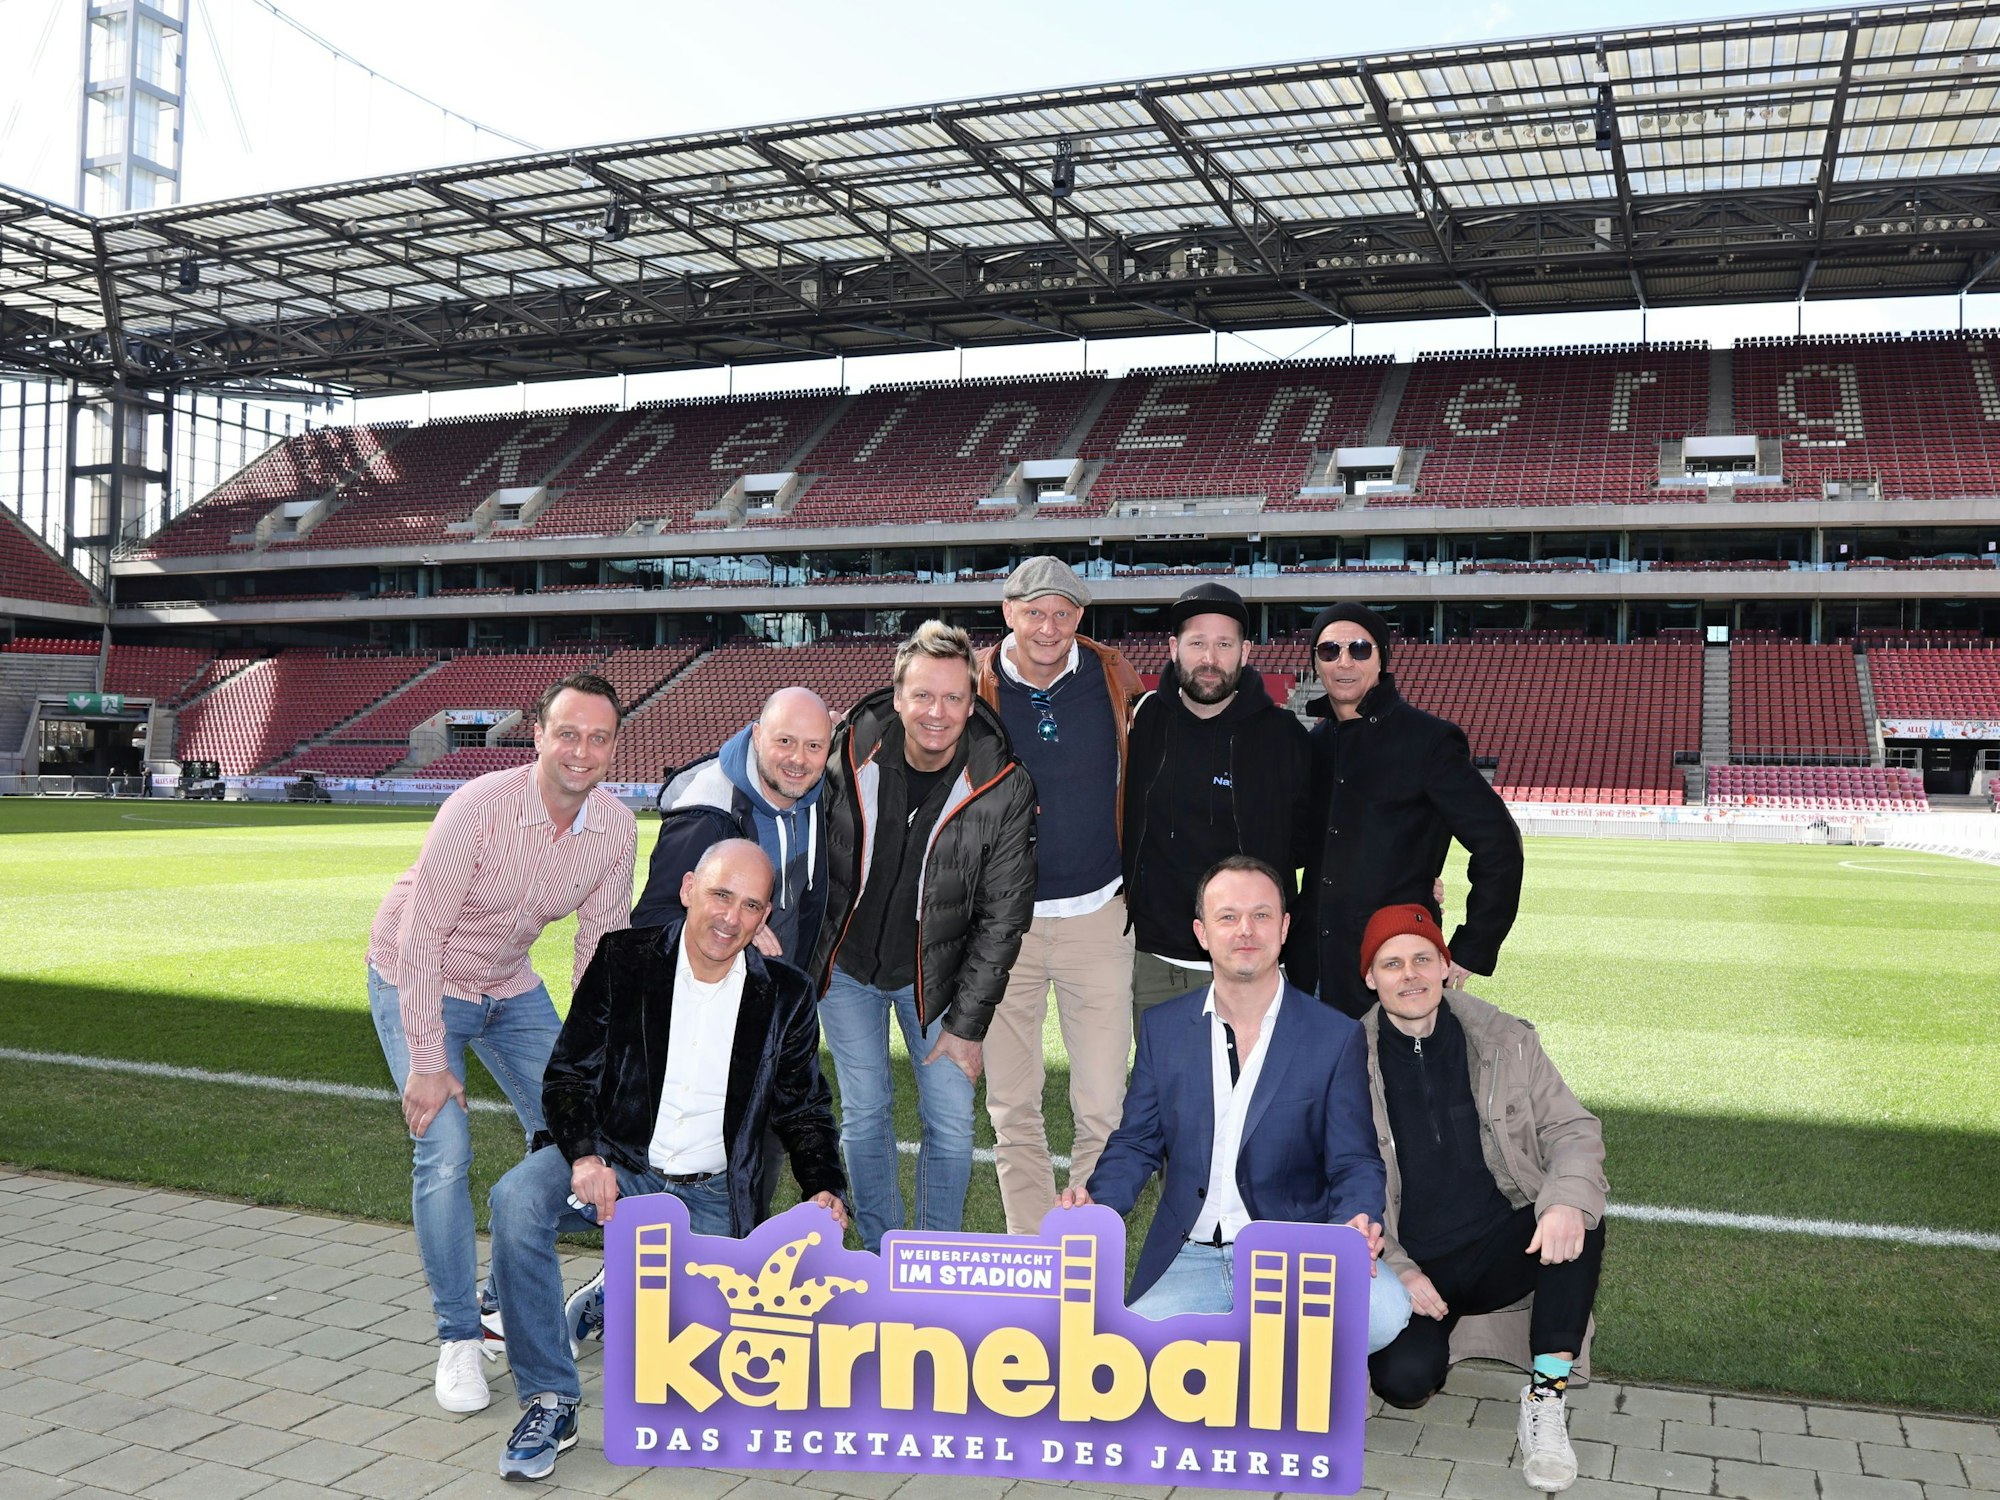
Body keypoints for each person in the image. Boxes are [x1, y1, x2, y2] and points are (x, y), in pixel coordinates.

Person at [485, 839, 847, 1482]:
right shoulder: (624, 959)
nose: (731, 918)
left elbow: (804, 1106)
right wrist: (584, 1155)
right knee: (516, 1200)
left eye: (751, 906)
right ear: (687, 890)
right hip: (618, 1165)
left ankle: (617, 1293)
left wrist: (824, 1186)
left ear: (765, 919)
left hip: (711, 1194)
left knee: (708, 1395)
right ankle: (549, 1397)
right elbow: (568, 1073)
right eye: (719, 895)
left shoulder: (786, 996)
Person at [365, 672, 636, 1415]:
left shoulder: (615, 828)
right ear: (539, 736)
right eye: (568, 733)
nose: (581, 751)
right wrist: (426, 1058)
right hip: (417, 974)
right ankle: (458, 1339)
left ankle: (497, 1306)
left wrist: (592, 1066)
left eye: (598, 737)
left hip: (507, 987)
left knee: (576, 1129)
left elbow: (598, 954)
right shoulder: (477, 809)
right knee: (445, 1146)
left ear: (614, 746)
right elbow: (423, 936)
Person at [1061, 856, 1410, 1353]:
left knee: (1385, 1311)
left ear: (1285, 927)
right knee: (1118, 1360)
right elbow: (1136, 1143)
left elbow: (1355, 1160)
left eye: (1262, 915)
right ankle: (1247, 1370)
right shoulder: (1163, 1029)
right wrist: (1097, 1203)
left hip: (1292, 1259)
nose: (1245, 930)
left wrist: (1354, 1220)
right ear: (1202, 932)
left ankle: (1264, 1374)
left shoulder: (1335, 1036)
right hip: (1191, 1256)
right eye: (1228, 917)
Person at [1356, 903, 1606, 1493]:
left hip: (1499, 1245)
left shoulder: (1504, 1038)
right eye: (1392, 964)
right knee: (1406, 1380)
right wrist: (1398, 1269)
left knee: (1577, 1213)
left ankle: (1546, 1398)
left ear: (1446, 966)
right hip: (1412, 1266)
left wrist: (1565, 1199)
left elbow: (1572, 1130)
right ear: (1370, 977)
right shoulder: (1344, 1060)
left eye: (1423, 958)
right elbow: (1333, 1183)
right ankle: (1430, 1338)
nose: (1411, 974)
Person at [809, 619, 1037, 1251]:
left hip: (936, 981)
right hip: (847, 972)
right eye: (924, 696)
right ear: (899, 696)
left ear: (973, 702)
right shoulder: (848, 752)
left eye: (954, 697)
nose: (938, 712)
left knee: (951, 1125)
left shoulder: (1003, 784)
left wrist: (967, 1025)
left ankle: (936, 1257)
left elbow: (1004, 916)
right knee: (865, 1116)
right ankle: (885, 1250)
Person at [974, 556, 1144, 1234]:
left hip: (1099, 917)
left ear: (1080, 618)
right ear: (1009, 612)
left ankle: (1085, 1250)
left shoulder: (1110, 678)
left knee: (1103, 1105)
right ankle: (1030, 1255)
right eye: (1034, 611)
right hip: (1002, 927)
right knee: (1013, 1107)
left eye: (1063, 613)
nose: (1048, 626)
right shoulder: (971, 686)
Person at [1286, 603, 1525, 1019]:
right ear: (1315, 662)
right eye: (1329, 651)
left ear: (1381, 658)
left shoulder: (1428, 740)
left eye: (1359, 649)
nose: (1343, 661)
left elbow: (1500, 844)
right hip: (1313, 972)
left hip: (1397, 970)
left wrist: (1471, 947)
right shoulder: (1314, 745)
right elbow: (1300, 849)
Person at [1121, 581, 1308, 1015]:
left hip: (1253, 964)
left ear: (1244, 653)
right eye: (1197, 643)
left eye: (1224, 644)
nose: (1210, 659)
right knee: (1165, 1084)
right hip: (1156, 960)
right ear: (1173, 648)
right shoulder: (1143, 723)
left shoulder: (1284, 738)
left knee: (1254, 1084)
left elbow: (1314, 837)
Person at [632, 685, 832, 965]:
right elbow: (651, 920)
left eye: (813, 745)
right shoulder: (707, 815)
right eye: (785, 741)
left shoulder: (822, 798)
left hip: (786, 991)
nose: (798, 759)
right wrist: (732, 926)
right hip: (717, 995)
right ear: (759, 737)